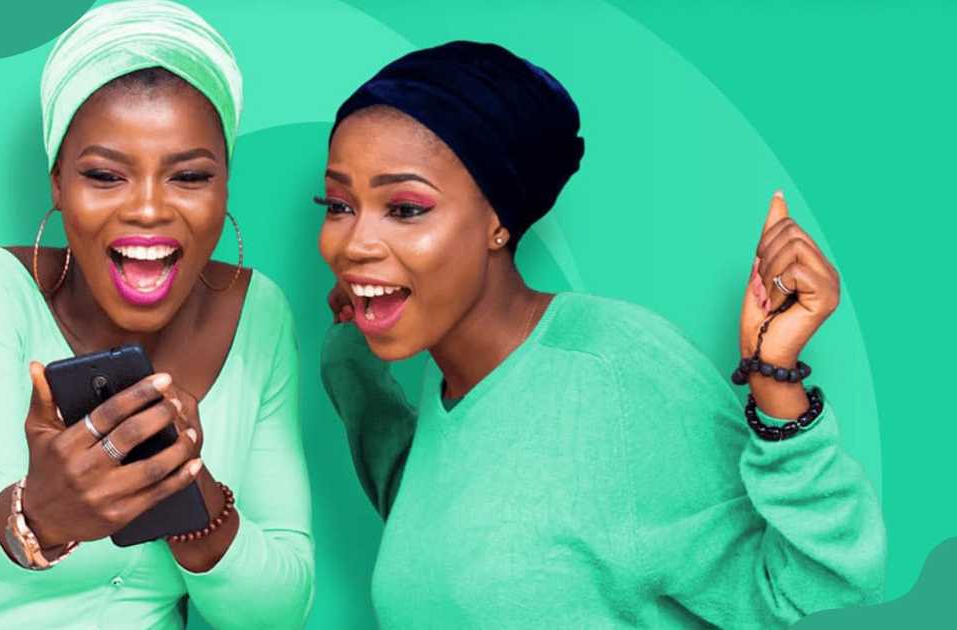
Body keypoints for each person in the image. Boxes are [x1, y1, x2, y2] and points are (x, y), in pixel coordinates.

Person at [317, 41, 885, 628]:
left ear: (498, 221)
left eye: (406, 208)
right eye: (337, 204)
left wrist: (774, 378)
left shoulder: (617, 373)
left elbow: (820, 599)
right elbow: (449, 532)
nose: (354, 243)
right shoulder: (450, 368)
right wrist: (351, 350)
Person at [0, 2, 313, 628]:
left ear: (225, 183)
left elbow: (280, 609)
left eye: (188, 175)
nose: (148, 209)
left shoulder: (259, 314)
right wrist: (43, 513)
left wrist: (187, 486)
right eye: (103, 174)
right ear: (58, 184)